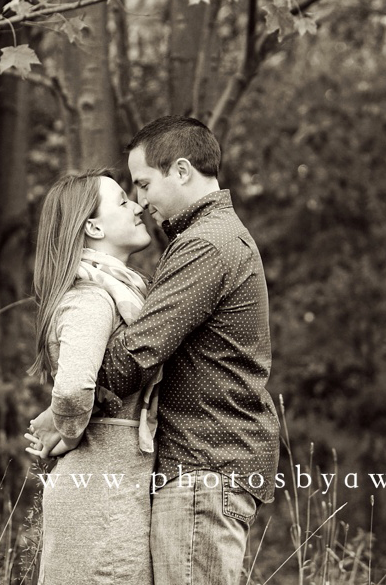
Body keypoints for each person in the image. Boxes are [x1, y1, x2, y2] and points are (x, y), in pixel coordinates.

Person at [30, 116, 280, 585]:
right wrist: (71, 401)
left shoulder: (207, 245)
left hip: (204, 465)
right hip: (197, 468)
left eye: (142, 185)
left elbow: (135, 354)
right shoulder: (199, 241)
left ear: (182, 171)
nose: (141, 201)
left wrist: (69, 407)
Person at [25, 170, 156, 584]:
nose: (137, 206)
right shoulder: (92, 299)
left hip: (112, 493)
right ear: (93, 226)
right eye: (122, 201)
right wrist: (70, 435)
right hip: (99, 504)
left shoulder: (118, 291)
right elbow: (71, 390)